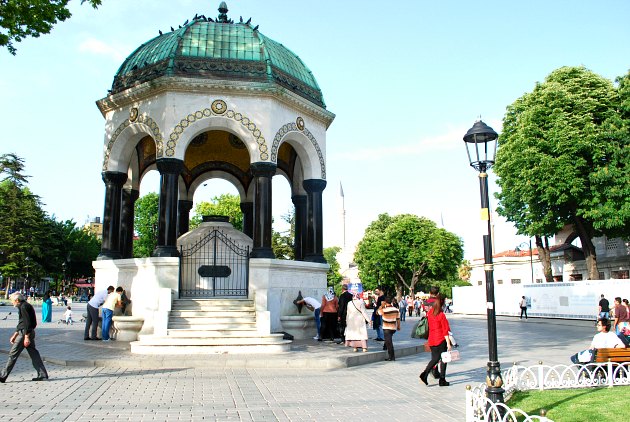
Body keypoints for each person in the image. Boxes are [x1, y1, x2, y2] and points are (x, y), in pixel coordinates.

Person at [0, 292, 49, 383]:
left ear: (17, 300)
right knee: (33, 353)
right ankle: (42, 374)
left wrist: (26, 337)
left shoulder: (24, 307)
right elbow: (21, 322)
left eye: (12, 301)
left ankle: (3, 375)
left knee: (13, 354)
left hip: (25, 334)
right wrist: (15, 334)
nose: (12, 303)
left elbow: (28, 323)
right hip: (26, 333)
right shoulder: (24, 306)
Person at [419, 294, 453, 387]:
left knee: (435, 358)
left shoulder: (430, 313)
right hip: (441, 339)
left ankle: (425, 373)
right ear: (442, 302)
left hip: (432, 338)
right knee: (444, 358)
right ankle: (442, 379)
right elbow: (445, 330)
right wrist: (448, 343)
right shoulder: (441, 315)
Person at [378, 296, 400, 361]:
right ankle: (385, 346)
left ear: (385, 302)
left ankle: (391, 357)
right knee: (388, 339)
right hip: (393, 328)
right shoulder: (396, 309)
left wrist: (381, 306)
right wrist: (398, 326)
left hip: (386, 328)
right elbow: (398, 319)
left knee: (389, 342)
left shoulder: (384, 310)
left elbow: (378, 312)